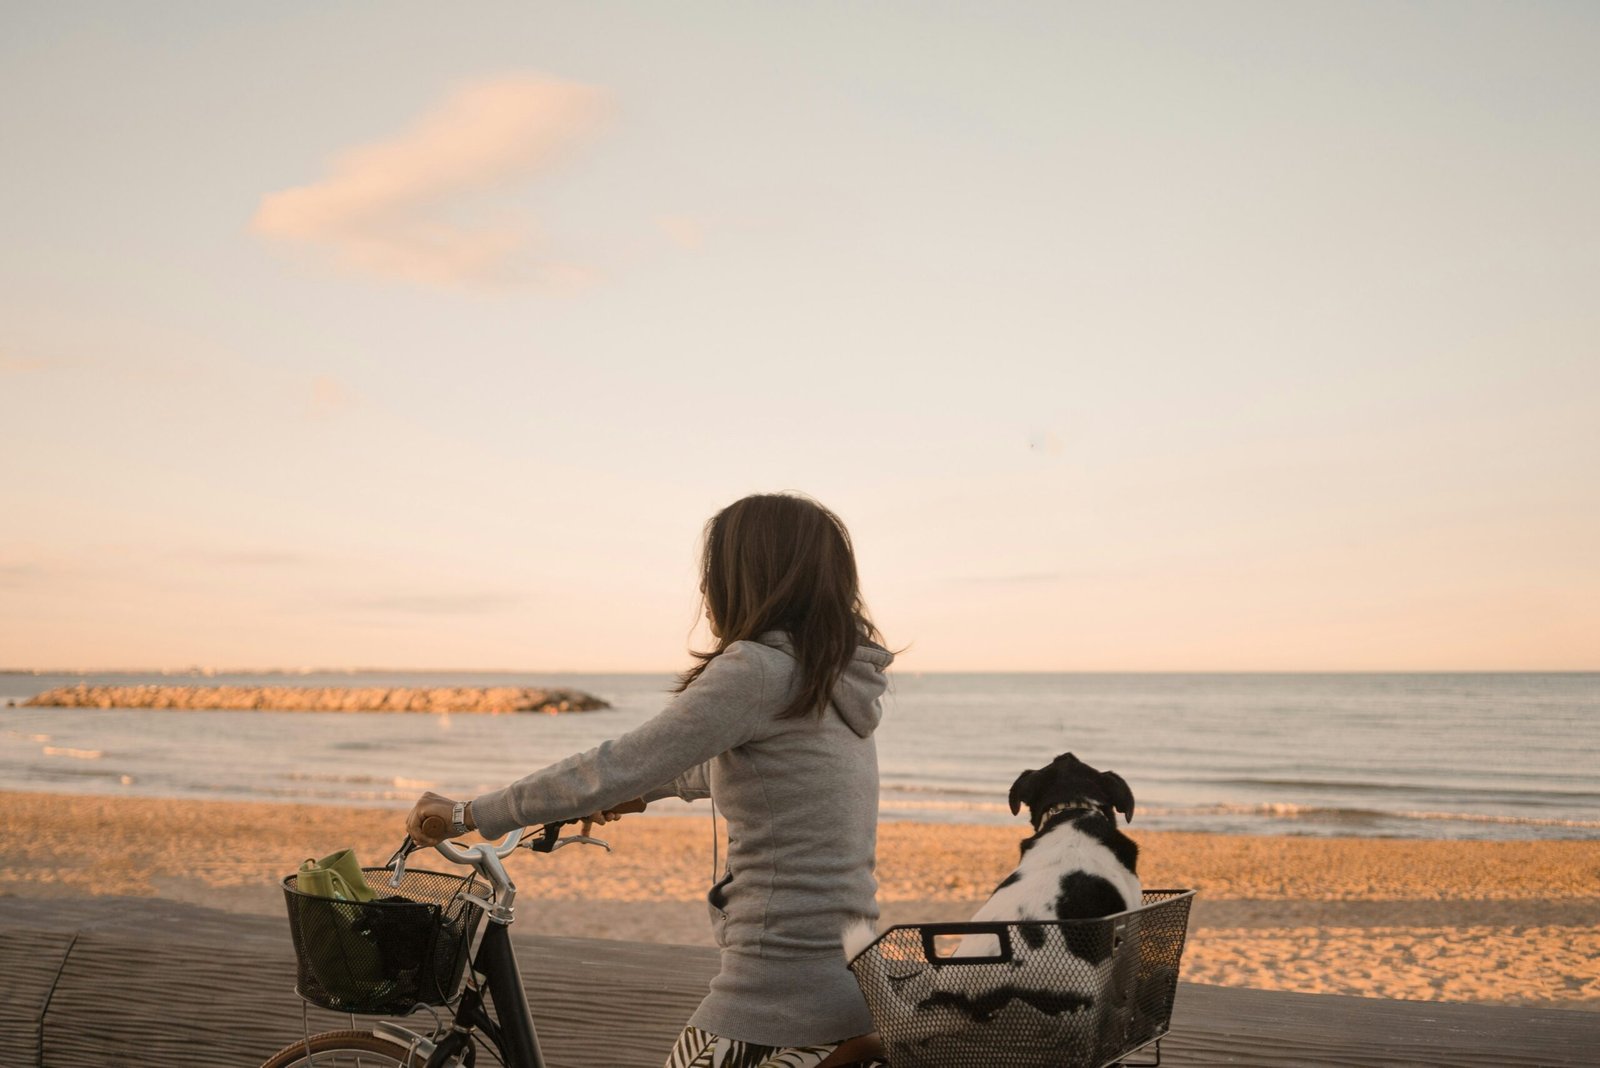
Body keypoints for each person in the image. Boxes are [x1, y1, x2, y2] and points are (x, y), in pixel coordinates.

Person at [408, 492, 893, 1068]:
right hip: (851, 974)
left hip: (775, 993)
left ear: (744, 578)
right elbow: (771, 770)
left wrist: (468, 814)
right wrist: (651, 790)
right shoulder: (831, 678)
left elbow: (614, 764)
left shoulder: (756, 671)